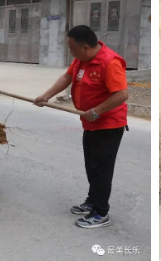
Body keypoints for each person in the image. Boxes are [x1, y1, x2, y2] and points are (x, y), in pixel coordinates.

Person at [33, 25, 128, 229]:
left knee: (102, 169)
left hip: (108, 124)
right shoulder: (81, 59)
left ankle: (101, 213)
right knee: (91, 166)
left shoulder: (110, 62)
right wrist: (46, 95)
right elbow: (67, 77)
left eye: (71, 48)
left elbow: (121, 95)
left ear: (85, 47)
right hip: (90, 123)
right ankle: (92, 201)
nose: (70, 52)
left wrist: (96, 111)